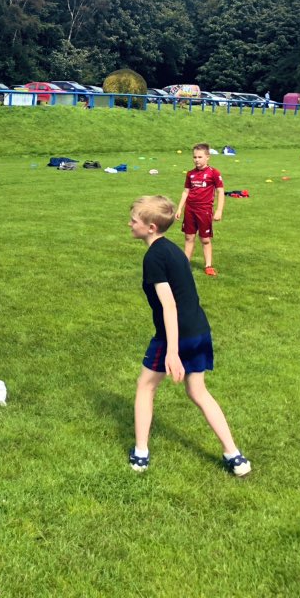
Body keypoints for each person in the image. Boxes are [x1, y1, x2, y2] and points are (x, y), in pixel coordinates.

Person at [127, 195, 251, 475]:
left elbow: (169, 304)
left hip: (176, 334)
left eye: (134, 220)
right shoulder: (172, 251)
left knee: (145, 385)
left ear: (150, 228)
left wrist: (171, 351)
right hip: (198, 329)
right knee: (198, 391)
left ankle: (140, 453)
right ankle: (234, 455)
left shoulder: (154, 258)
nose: (129, 224)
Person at [175, 143, 224, 276]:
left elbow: (220, 192)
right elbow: (186, 192)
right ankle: (185, 264)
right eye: (195, 157)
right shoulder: (190, 174)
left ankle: (208, 265)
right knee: (189, 236)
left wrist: (219, 210)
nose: (197, 160)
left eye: (200, 157)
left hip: (204, 210)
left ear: (208, 157)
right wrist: (180, 208)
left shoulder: (214, 173)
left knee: (205, 239)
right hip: (190, 209)